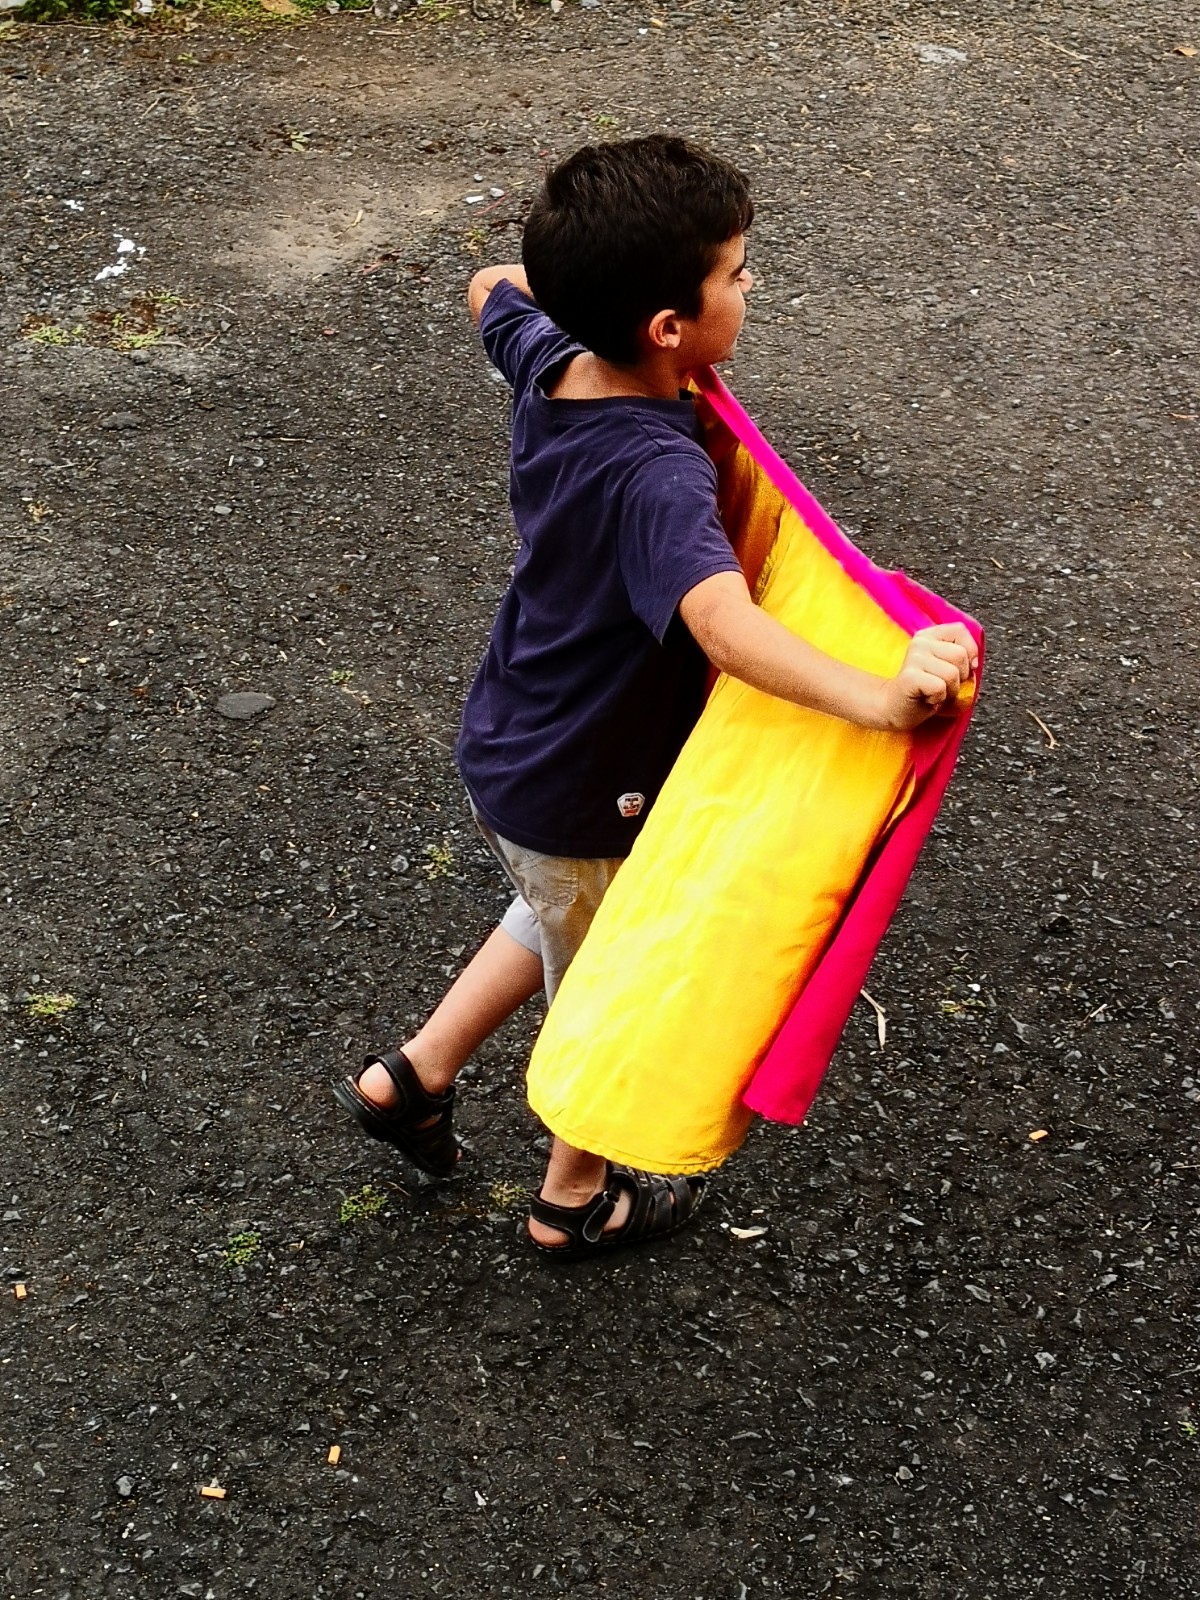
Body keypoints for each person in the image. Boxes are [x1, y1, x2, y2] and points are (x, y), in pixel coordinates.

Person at [333, 135, 977, 1258]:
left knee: (557, 906)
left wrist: (578, 280)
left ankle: (414, 1077)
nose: (750, 285)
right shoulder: (656, 469)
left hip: (521, 739)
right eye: (735, 273)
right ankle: (571, 1200)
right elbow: (723, 627)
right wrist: (879, 699)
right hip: (590, 778)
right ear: (668, 326)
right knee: (612, 984)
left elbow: (491, 285)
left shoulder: (550, 356)